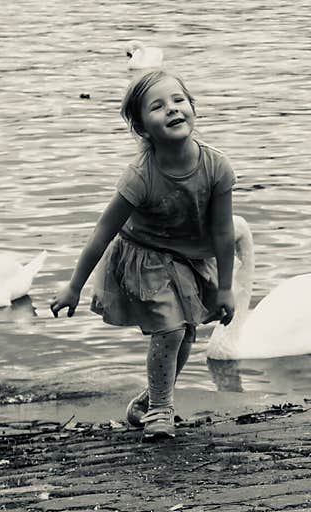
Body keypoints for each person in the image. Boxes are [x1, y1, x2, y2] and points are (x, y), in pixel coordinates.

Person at [50, 69, 236, 442]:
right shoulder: (141, 176)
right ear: (142, 128)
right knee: (168, 330)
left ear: (193, 109)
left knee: (185, 336)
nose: (172, 110)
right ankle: (161, 411)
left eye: (179, 101)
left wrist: (226, 288)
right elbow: (102, 231)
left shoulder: (216, 167)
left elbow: (223, 232)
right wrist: (73, 287)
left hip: (188, 261)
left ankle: (147, 402)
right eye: (158, 106)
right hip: (144, 258)